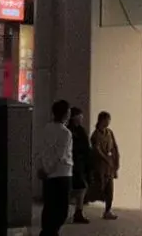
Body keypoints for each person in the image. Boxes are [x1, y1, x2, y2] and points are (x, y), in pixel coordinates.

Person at [37, 99, 74, 236]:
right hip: (62, 174)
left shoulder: (46, 128)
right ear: (65, 114)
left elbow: (41, 150)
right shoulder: (66, 133)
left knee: (49, 206)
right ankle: (51, 232)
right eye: (69, 112)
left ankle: (46, 231)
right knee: (62, 209)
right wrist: (48, 170)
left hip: (48, 175)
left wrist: (42, 168)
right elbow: (60, 155)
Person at [90, 111, 121, 221]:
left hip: (109, 167)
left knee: (110, 189)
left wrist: (116, 161)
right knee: (98, 188)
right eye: (107, 120)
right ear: (101, 120)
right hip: (100, 166)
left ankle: (108, 210)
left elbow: (114, 147)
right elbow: (96, 149)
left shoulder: (109, 132)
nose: (108, 122)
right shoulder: (96, 134)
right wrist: (106, 159)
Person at [68, 108, 93, 224]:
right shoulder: (70, 130)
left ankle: (78, 211)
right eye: (80, 116)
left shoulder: (80, 130)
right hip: (73, 163)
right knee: (79, 187)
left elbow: (86, 147)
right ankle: (77, 211)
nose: (82, 118)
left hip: (79, 163)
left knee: (81, 187)